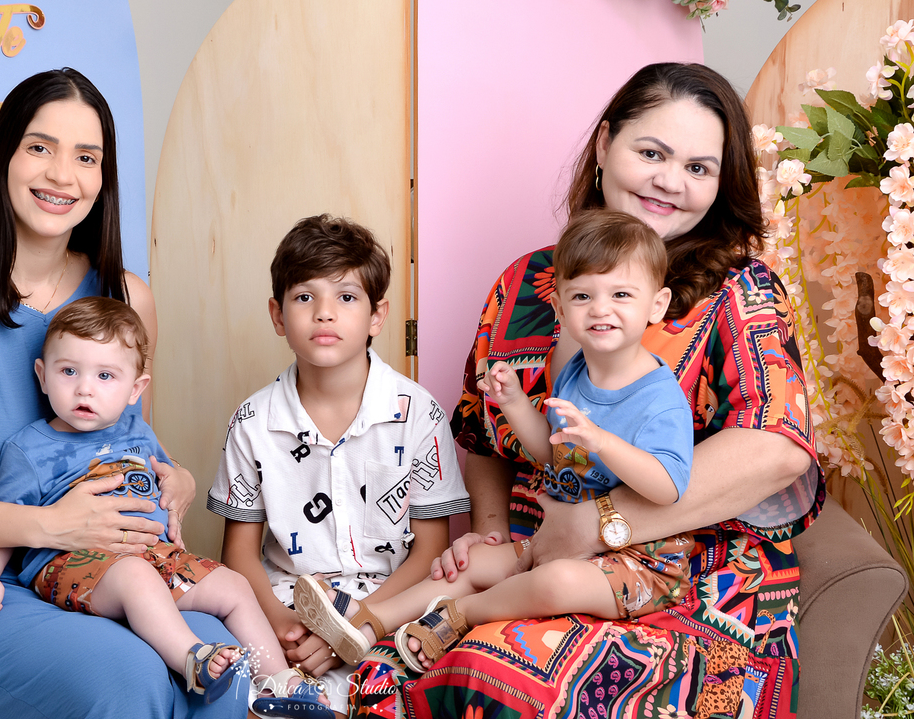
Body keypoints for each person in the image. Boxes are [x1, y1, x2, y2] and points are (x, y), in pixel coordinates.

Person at [349, 62, 823, 719]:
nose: (670, 182)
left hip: (689, 586)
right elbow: (483, 432)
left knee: (499, 677)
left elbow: (777, 448)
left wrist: (603, 524)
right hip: (532, 558)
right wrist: (488, 537)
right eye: (652, 153)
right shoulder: (527, 283)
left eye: (698, 168)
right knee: (383, 676)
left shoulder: (740, 292)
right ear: (605, 147)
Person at [0, 68, 247, 719]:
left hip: (93, 572)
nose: (63, 175)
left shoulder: (127, 298)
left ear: (104, 177)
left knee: (225, 668)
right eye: (40, 147)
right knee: (128, 682)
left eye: (86, 157)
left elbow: (121, 444)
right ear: (3, 154)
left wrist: (173, 477)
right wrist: (46, 524)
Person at [297, 210, 695, 674]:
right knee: (472, 562)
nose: (601, 309)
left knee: (556, 583)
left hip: (639, 564)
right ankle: (364, 624)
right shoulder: (576, 371)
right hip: (559, 541)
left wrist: (603, 441)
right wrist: (516, 405)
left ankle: (463, 613)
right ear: (562, 310)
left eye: (621, 295)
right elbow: (552, 454)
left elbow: (669, 488)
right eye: (583, 296)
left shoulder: (660, 398)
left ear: (657, 304)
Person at [0, 296, 331, 716]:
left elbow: (165, 468)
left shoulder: (137, 430)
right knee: (136, 576)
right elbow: (0, 520)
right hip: (71, 563)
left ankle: (277, 682)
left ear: (136, 389)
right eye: (68, 372)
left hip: (155, 555)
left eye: (105, 375)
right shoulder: (30, 449)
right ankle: (192, 657)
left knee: (233, 585)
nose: (85, 388)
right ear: (42, 377)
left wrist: (176, 476)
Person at [208, 215, 472, 718]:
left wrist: (350, 629)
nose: (324, 314)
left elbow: (430, 550)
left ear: (377, 316)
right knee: (241, 688)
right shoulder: (253, 422)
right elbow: (238, 555)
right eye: (305, 298)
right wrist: (288, 626)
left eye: (346, 298)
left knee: (408, 690)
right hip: (284, 606)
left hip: (391, 605)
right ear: (277, 315)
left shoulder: (417, 412)